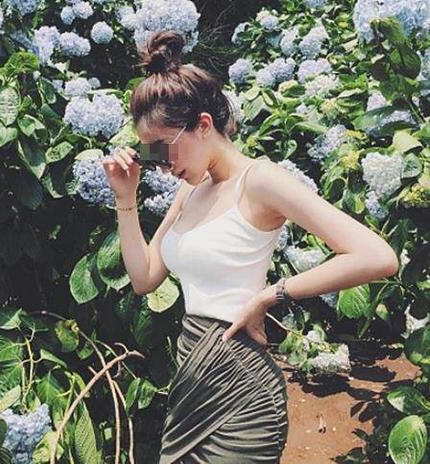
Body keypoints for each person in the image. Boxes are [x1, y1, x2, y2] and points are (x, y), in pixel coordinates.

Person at [102, 29, 399, 464]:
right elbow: (145, 278)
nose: (163, 167)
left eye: (164, 150)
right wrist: (124, 199)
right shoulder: (190, 190)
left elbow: (377, 256)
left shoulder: (259, 181)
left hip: (244, 390)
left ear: (203, 125)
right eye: (152, 156)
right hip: (194, 383)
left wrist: (270, 296)